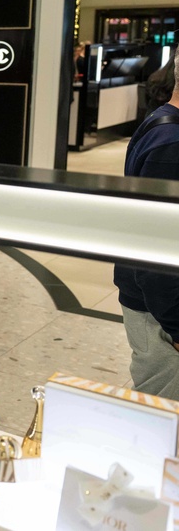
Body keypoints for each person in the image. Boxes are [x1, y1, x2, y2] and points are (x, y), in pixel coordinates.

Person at [114, 54, 179, 400]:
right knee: (164, 421)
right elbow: (154, 255)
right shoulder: (171, 144)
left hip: (160, 307)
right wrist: (176, 326)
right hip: (161, 313)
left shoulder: (164, 128)